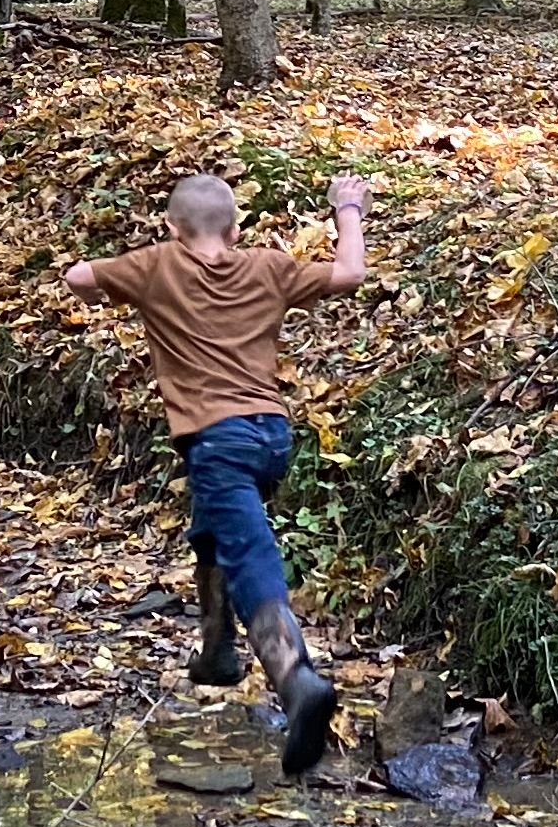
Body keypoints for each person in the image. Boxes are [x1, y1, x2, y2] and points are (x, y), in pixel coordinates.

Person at [64, 170, 372, 778]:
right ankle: (217, 651)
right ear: (235, 228)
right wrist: (348, 210)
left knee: (249, 550)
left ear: (173, 229)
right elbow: (349, 274)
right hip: (270, 434)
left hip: (217, 439)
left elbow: (78, 277)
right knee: (214, 531)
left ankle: (296, 677)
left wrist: (102, 295)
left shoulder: (156, 264)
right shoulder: (266, 266)